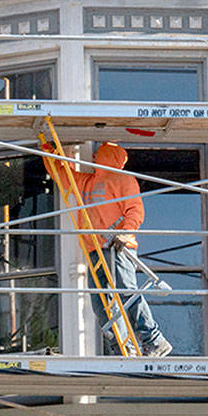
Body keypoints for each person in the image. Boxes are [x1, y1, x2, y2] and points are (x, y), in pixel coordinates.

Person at [42, 141, 173, 358]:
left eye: (98, 153)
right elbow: (62, 174)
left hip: (117, 246)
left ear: (108, 156)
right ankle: (122, 348)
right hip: (95, 249)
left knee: (126, 293)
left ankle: (154, 339)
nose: (93, 156)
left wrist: (124, 231)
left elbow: (134, 210)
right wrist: (50, 152)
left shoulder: (123, 179)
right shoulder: (87, 182)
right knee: (101, 303)